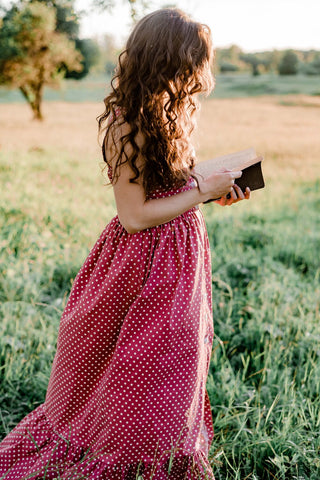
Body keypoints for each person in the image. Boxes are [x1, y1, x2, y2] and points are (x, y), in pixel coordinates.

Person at [0, 8, 251, 480]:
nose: (204, 73)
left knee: (172, 367)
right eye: (198, 61)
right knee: (129, 367)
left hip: (178, 260)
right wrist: (200, 191)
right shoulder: (126, 123)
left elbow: (171, 185)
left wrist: (215, 185)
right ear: (170, 60)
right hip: (140, 266)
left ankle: (162, 456)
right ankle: (119, 457)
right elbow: (134, 216)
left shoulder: (171, 113)